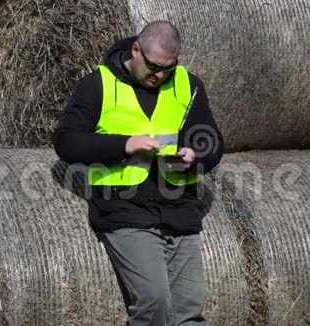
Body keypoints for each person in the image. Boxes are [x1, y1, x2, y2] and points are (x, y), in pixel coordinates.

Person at [53, 21, 224, 326]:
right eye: (154, 66)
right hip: (124, 209)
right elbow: (66, 141)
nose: (160, 75)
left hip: (179, 209)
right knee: (154, 301)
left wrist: (196, 155)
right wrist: (125, 144)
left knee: (189, 312)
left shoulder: (189, 85)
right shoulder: (98, 85)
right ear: (136, 50)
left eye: (168, 69)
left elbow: (211, 141)